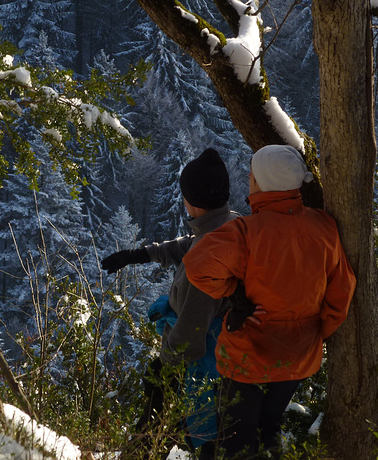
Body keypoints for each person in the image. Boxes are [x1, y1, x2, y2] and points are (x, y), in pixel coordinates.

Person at [183, 144, 356, 459]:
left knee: (235, 440)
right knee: (268, 430)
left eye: (252, 174)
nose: (248, 178)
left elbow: (197, 266)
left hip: (247, 357)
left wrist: (235, 293)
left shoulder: (246, 233)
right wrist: (313, 331)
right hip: (298, 358)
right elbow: (342, 292)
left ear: (261, 184)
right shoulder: (324, 227)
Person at [101, 148, 239, 459]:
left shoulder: (204, 264)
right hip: (222, 358)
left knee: (152, 437)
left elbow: (191, 330)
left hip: (193, 365)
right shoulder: (230, 225)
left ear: (195, 201)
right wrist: (139, 255)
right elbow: (188, 244)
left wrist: (163, 367)